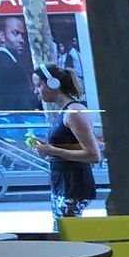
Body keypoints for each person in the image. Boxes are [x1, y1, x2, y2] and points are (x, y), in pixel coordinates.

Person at [31, 62, 100, 221]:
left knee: (68, 234)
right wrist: (49, 147)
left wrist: (51, 150)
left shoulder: (73, 112)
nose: (36, 91)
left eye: (38, 85)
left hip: (72, 186)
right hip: (65, 184)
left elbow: (93, 155)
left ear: (52, 83)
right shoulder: (66, 111)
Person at [0, 16, 38, 111]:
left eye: (23, 35)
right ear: (2, 36)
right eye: (15, 33)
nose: (21, 40)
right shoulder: (13, 68)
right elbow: (26, 104)